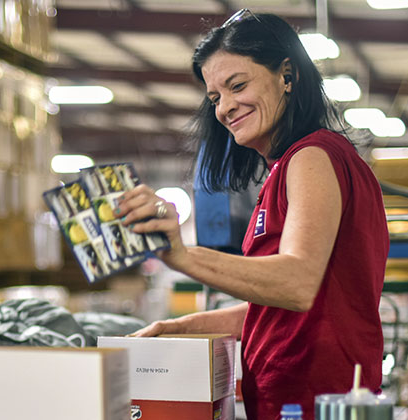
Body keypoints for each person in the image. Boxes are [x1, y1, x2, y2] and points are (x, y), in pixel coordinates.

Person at [114, 10, 389, 419]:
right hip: (295, 402)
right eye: (214, 98)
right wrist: (177, 329)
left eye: (237, 85)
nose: (224, 108)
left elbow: (297, 284)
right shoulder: (293, 167)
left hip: (316, 404)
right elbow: (281, 311)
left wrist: (183, 255)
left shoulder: (311, 158)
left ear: (287, 75)